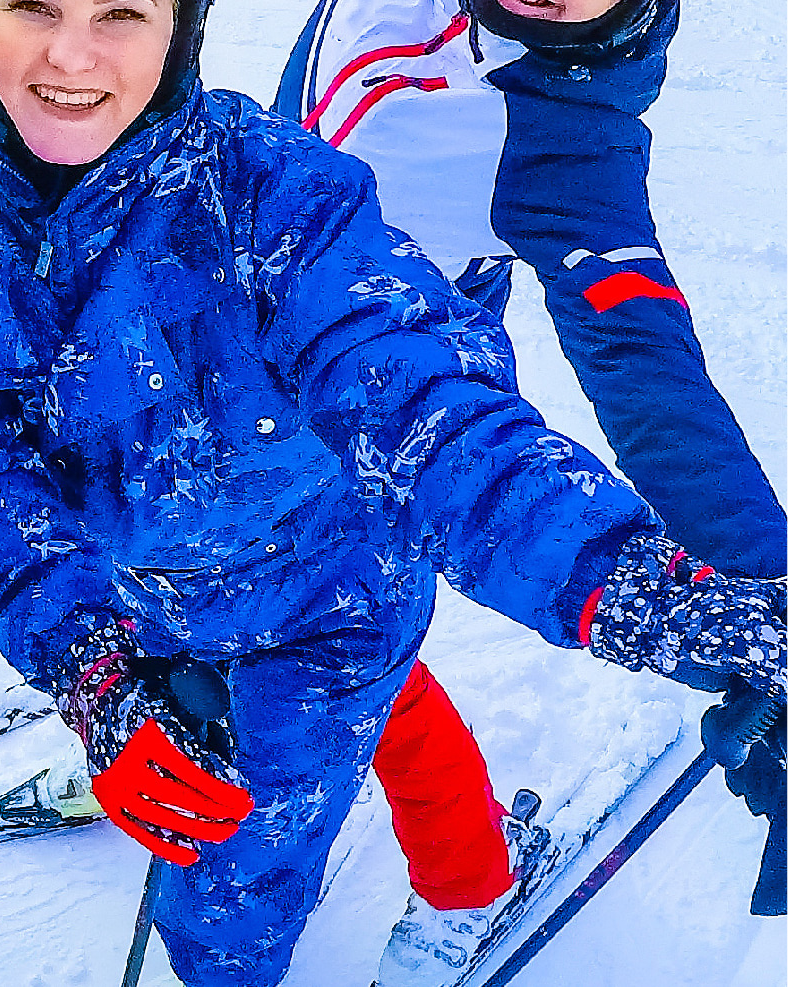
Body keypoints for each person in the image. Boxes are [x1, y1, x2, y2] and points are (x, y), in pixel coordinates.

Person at [0, 0, 787, 981]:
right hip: (141, 595)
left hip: (325, 601)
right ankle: (465, 858)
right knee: (394, 708)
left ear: (180, 28)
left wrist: (637, 584)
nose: (72, 53)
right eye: (33, 3)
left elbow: (426, 413)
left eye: (124, 11)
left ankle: (453, 888)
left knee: (226, 900)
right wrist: (91, 663)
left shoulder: (281, 193)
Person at [277, 0, 788, 971]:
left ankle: (472, 872)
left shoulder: (561, 123)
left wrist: (765, 601)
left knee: (343, 620)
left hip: (407, 358)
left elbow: (638, 355)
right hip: (248, 293)